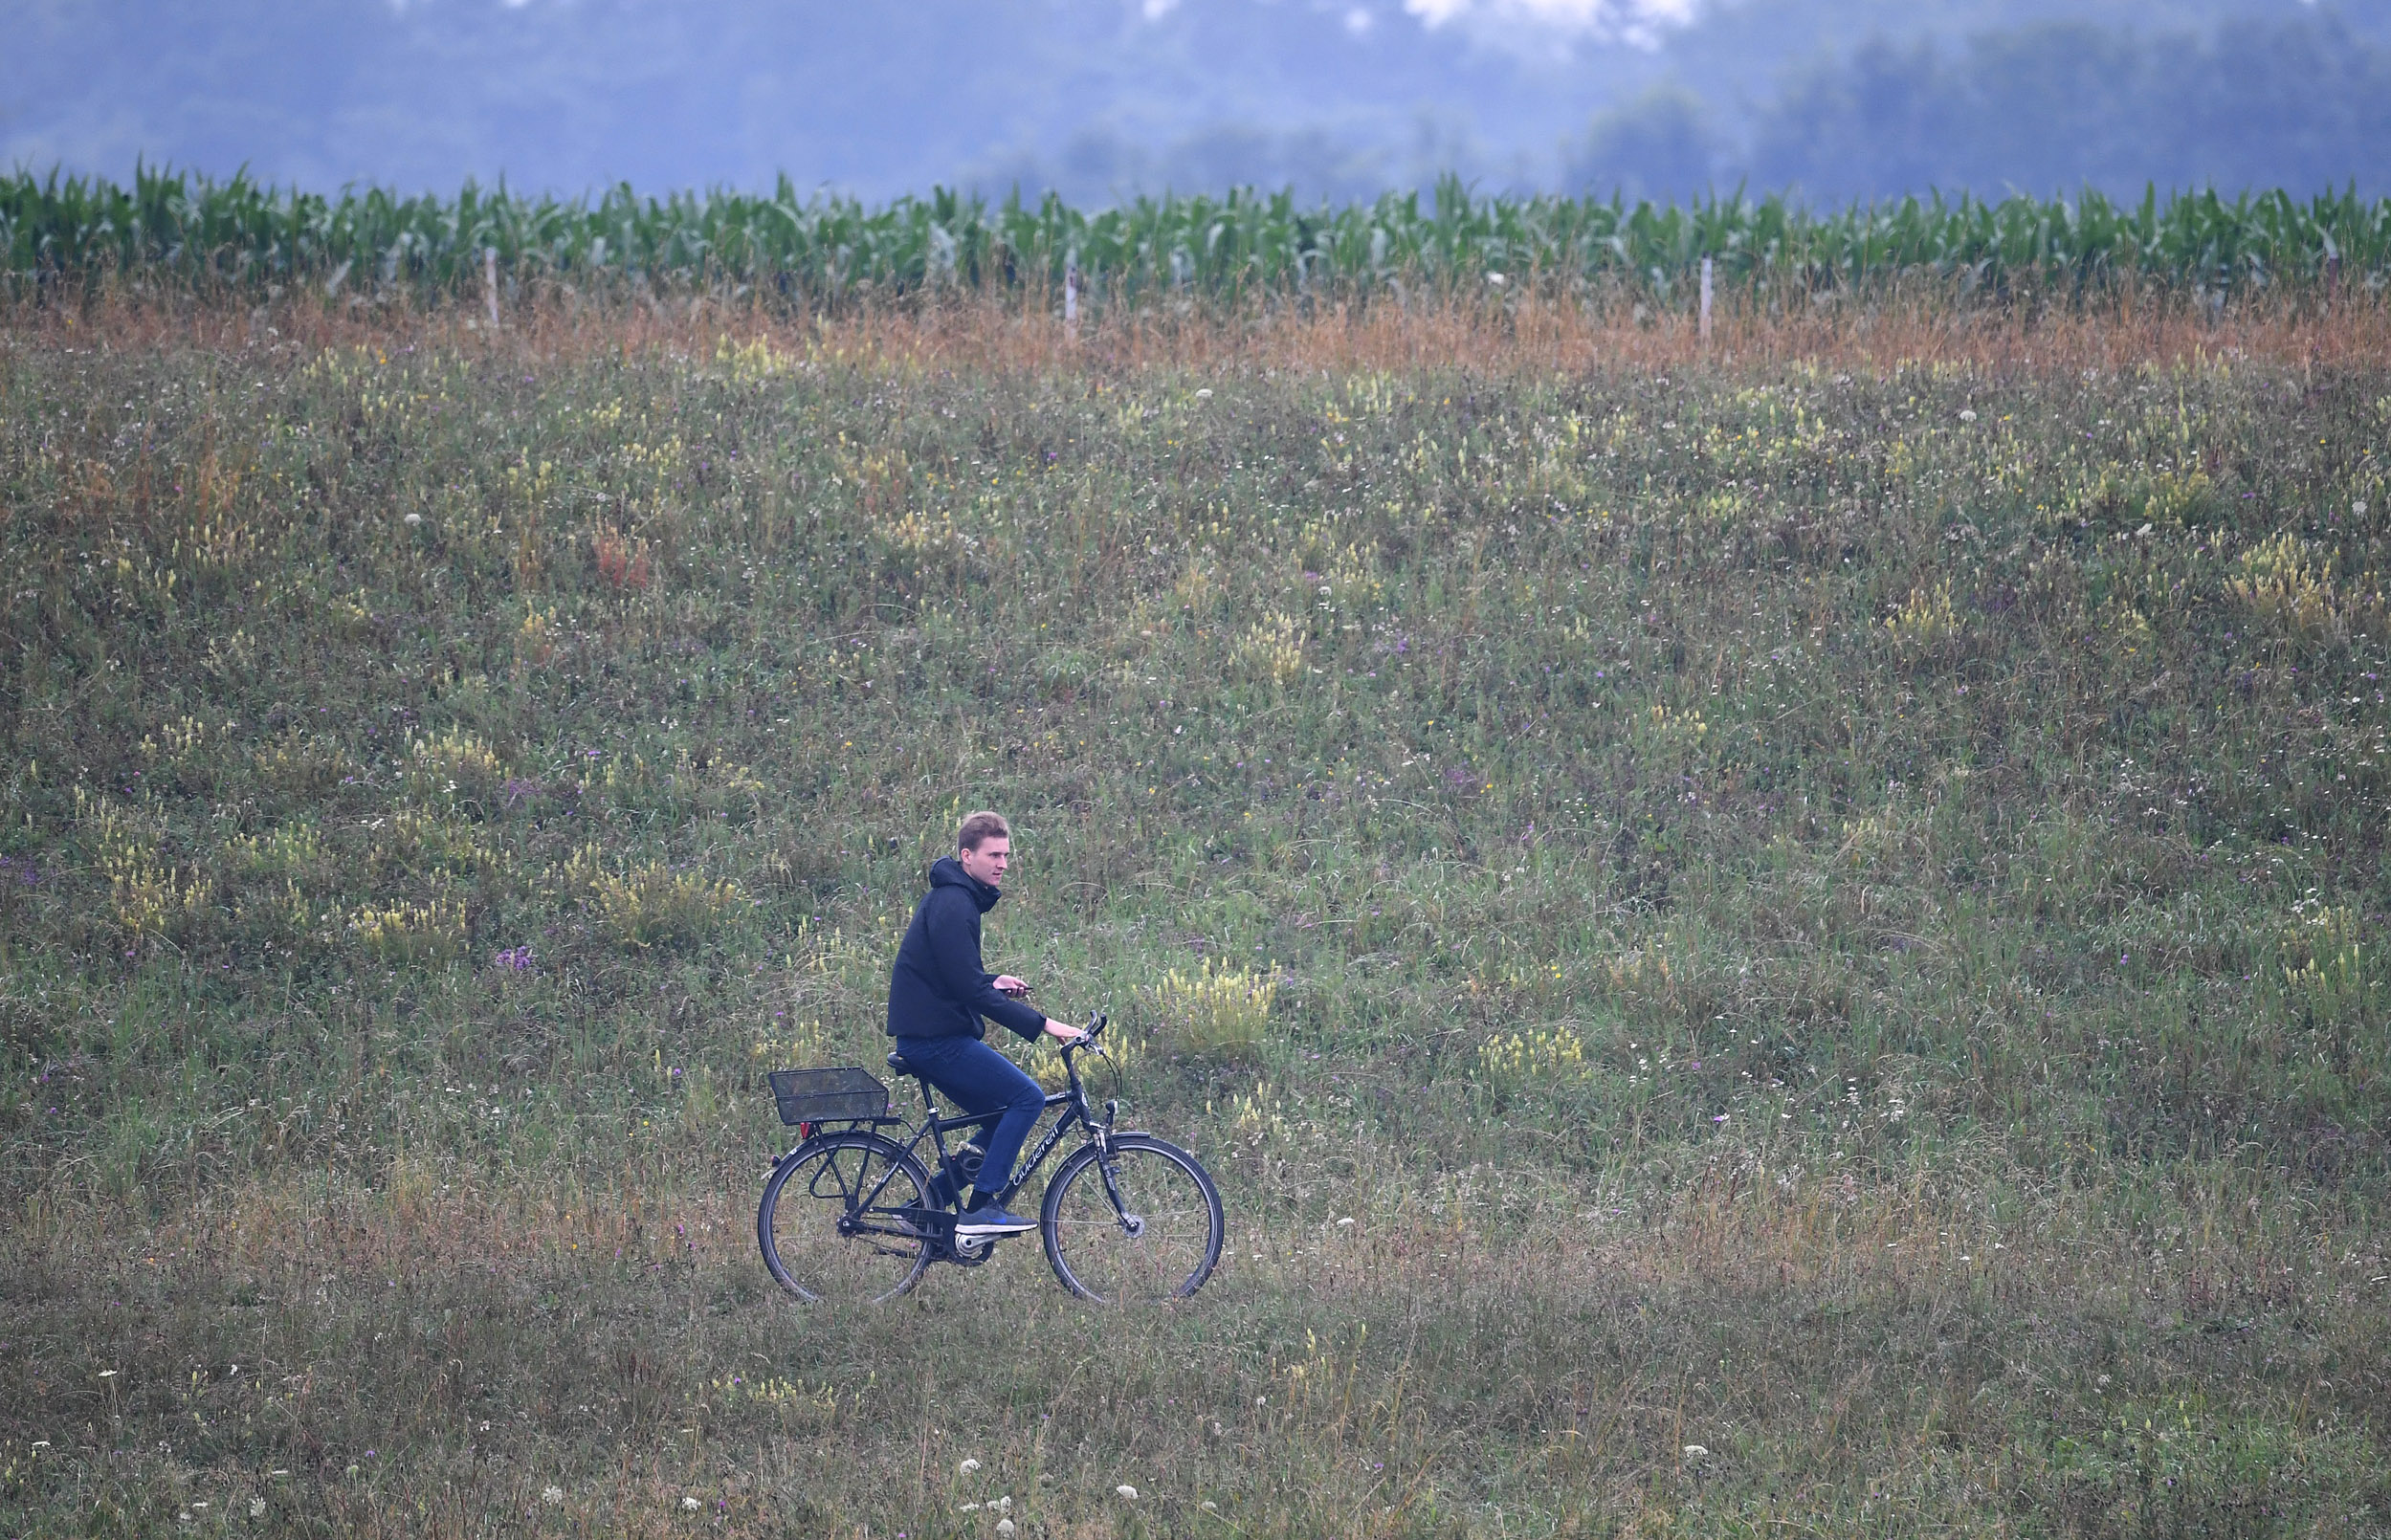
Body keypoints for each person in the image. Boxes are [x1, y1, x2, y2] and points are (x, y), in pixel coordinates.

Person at [885, 810, 1085, 1237]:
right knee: (1027, 1098)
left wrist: (990, 980)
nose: (1003, 864)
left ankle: (926, 1206)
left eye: (1006, 855)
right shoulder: (954, 904)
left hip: (931, 1035)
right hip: (934, 1040)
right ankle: (980, 1210)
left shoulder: (954, 899)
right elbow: (969, 992)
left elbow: (956, 977)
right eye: (994, 855)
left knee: (1000, 1113)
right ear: (966, 856)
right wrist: (1044, 1024)